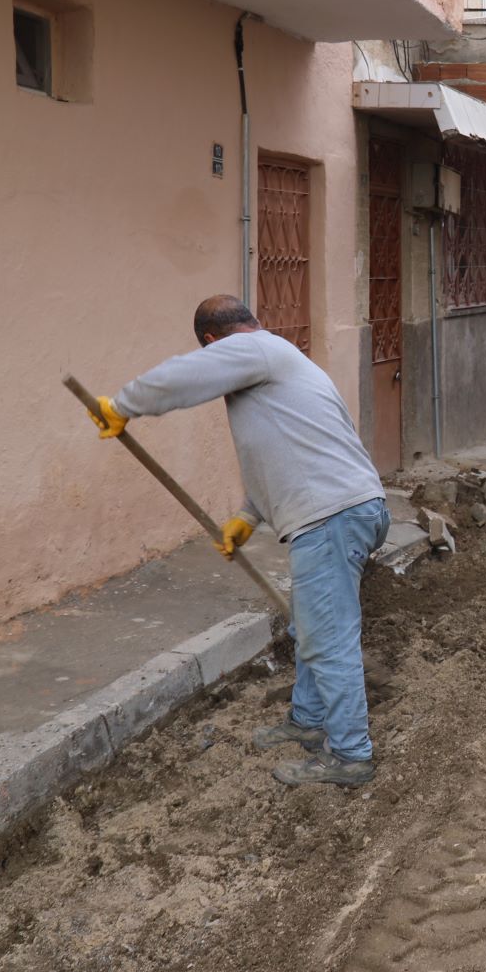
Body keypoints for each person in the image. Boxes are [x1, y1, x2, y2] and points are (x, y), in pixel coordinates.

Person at [88, 295, 388, 787]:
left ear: (213, 340)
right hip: (346, 510)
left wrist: (122, 405)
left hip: (332, 517)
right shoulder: (282, 362)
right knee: (312, 627)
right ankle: (309, 722)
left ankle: (351, 755)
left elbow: (185, 377)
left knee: (328, 638)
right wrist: (249, 516)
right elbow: (289, 452)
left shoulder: (253, 350)